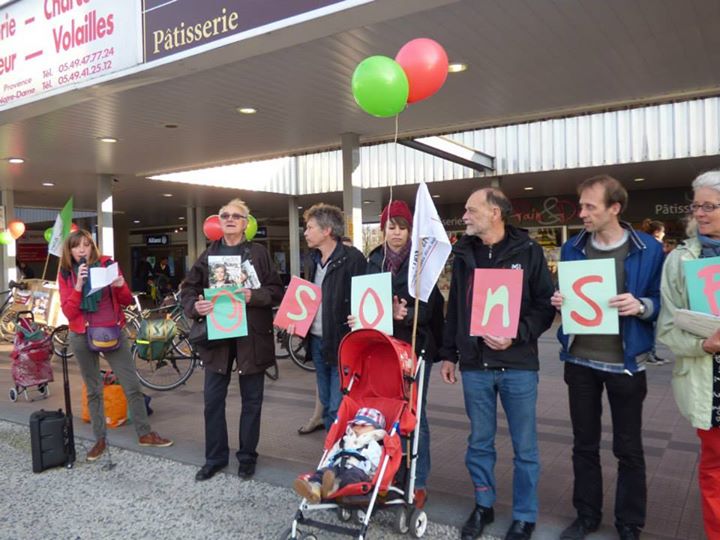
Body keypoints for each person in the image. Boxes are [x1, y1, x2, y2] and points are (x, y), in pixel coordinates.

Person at [551, 175, 664, 540]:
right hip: (580, 360)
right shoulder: (572, 247)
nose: (582, 213)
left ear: (614, 208)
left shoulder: (648, 248)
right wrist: (560, 302)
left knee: (628, 447)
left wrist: (642, 305)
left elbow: (664, 301)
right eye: (580, 206)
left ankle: (629, 522)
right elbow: (569, 295)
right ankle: (587, 516)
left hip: (625, 363)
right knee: (583, 445)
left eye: (590, 207)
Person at [440, 188, 555, 540]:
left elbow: (545, 306)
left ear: (494, 213)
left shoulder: (529, 251)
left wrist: (516, 334)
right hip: (476, 366)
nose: (464, 216)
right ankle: (483, 506)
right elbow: (456, 306)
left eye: (470, 210)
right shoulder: (464, 253)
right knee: (479, 443)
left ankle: (524, 515)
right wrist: (449, 353)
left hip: (518, 365)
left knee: (525, 447)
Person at [181, 199, 283, 481]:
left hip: (252, 337)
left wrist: (254, 295)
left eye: (236, 216)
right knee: (213, 400)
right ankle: (215, 458)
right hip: (218, 337)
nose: (229, 219)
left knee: (252, 401)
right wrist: (195, 307)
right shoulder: (208, 255)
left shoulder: (258, 254)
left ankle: (247, 457)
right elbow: (187, 289)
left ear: (245, 223)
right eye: (224, 215)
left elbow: (277, 291)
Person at [58, 230, 173, 462]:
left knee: (132, 385)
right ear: (69, 251)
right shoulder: (66, 274)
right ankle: (100, 439)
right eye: (76, 246)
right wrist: (79, 286)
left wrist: (120, 285)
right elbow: (69, 312)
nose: (82, 249)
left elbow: (127, 300)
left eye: (86, 244)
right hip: (81, 334)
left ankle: (144, 433)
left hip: (112, 330)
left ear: (92, 247)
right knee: (93, 389)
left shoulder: (107, 264)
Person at [360, 199, 444, 509]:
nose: (396, 233)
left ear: (411, 231)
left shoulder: (422, 262)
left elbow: (432, 309)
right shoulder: (373, 260)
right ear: (383, 229)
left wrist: (405, 317)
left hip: (414, 348)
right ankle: (389, 473)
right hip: (382, 349)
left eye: (402, 227)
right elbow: (364, 299)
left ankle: (418, 480)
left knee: (415, 414)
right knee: (386, 412)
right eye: (391, 227)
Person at [657, 170, 720, 539]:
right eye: (696, 206)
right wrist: (703, 345)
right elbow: (667, 328)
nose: (699, 213)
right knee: (714, 470)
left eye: (709, 206)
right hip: (710, 386)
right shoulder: (681, 259)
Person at [302, 203, 367, 430]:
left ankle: (336, 449)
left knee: (337, 406)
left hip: (343, 342)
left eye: (310, 227)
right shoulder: (312, 260)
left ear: (327, 230)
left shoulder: (353, 259)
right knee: (326, 398)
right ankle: (332, 446)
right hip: (317, 340)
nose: (306, 233)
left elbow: (365, 298)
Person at [293, 407, 387, 503]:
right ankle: (314, 488)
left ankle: (331, 489)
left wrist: (373, 476)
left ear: (376, 429)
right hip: (337, 465)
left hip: (359, 469)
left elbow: (376, 463)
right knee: (326, 472)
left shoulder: (374, 445)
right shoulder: (344, 439)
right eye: (355, 424)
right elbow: (332, 453)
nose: (358, 427)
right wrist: (324, 466)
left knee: (350, 477)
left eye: (363, 425)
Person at [641, 219, 667, 365]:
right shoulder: (655, 246)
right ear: (657, 232)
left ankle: (651, 352)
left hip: (646, 290)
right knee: (653, 323)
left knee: (651, 324)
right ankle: (650, 353)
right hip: (655, 289)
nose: (664, 234)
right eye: (663, 232)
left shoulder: (644, 244)